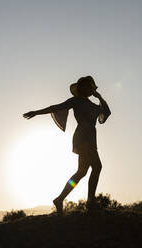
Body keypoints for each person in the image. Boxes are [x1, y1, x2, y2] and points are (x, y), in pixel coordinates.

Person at [23, 76, 111, 215]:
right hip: (83, 137)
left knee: (82, 172)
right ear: (81, 88)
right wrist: (37, 112)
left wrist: (99, 96)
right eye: (88, 86)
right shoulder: (76, 101)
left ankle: (60, 199)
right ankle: (90, 201)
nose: (90, 89)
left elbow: (107, 112)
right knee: (97, 166)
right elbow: (56, 107)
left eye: (91, 87)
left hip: (91, 137)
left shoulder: (94, 105)